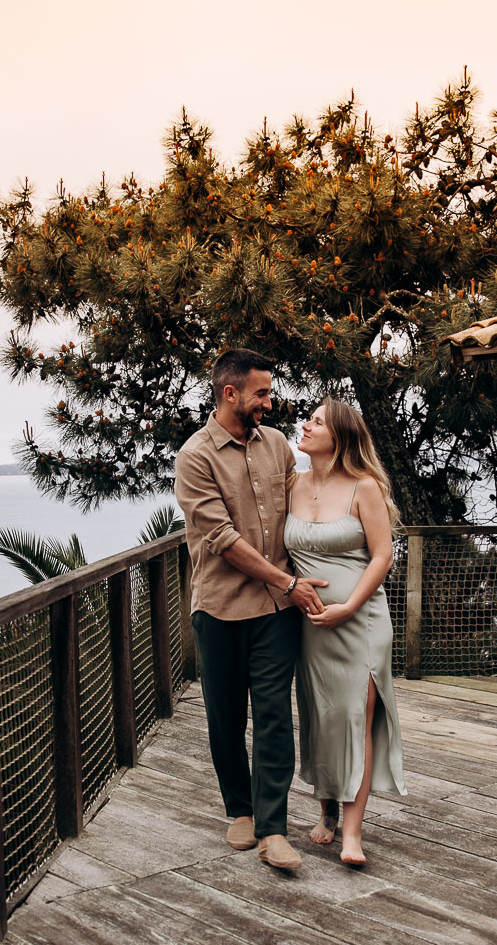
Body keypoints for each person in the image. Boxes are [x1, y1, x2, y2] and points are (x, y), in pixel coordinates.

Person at [174, 349, 329, 871]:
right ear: (230, 393)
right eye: (261, 393)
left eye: (269, 392)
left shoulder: (278, 445)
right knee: (225, 717)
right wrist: (288, 581)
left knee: (273, 716)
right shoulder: (194, 456)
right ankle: (239, 808)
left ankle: (273, 829)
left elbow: (303, 509)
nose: (269, 401)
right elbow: (221, 538)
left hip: (276, 610)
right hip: (219, 609)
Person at [287, 397, 406, 866]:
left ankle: (353, 834)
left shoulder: (364, 486)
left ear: (339, 436)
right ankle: (327, 812)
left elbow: (383, 555)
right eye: (309, 419)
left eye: (316, 422)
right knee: (321, 716)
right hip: (310, 627)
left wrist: (349, 606)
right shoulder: (293, 485)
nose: (306, 425)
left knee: (356, 718)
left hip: (361, 621)